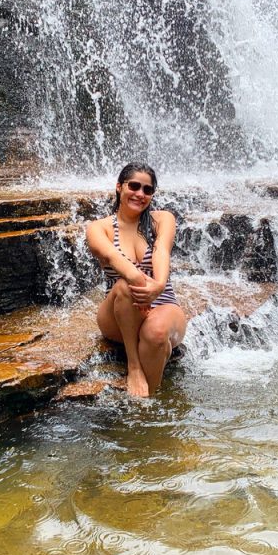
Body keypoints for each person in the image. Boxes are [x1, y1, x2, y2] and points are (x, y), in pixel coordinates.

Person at [86, 162, 187, 397]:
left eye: (147, 190)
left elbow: (162, 250)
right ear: (119, 187)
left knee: (156, 332)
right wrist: (142, 286)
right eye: (134, 186)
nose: (140, 194)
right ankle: (134, 367)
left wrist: (159, 285)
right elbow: (113, 258)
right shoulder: (99, 228)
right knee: (124, 284)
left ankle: (148, 405)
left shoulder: (162, 219)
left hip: (163, 303)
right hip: (121, 313)